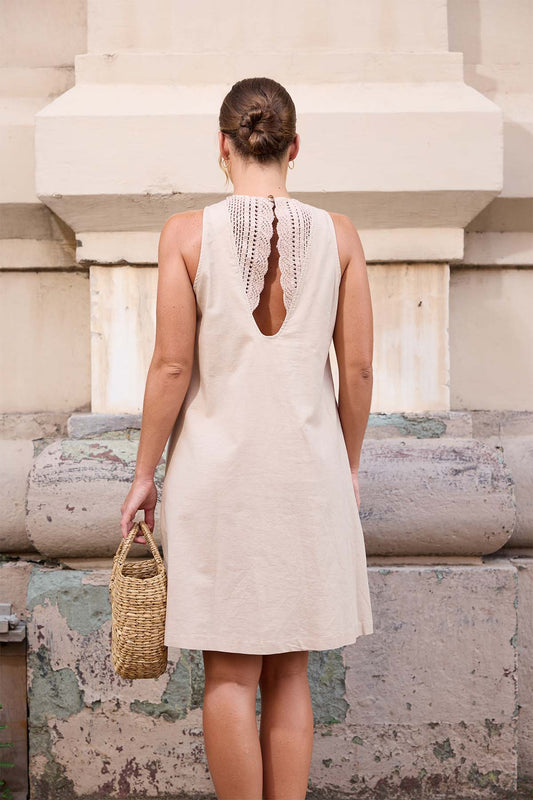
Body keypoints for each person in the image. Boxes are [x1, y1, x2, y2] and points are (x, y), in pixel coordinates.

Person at [120, 76, 374, 800]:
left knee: (229, 675)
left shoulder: (184, 234)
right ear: (294, 148)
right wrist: (349, 464)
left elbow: (172, 366)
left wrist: (143, 474)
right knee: (290, 671)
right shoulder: (341, 236)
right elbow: (357, 369)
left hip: (216, 480)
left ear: (222, 146)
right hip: (308, 472)